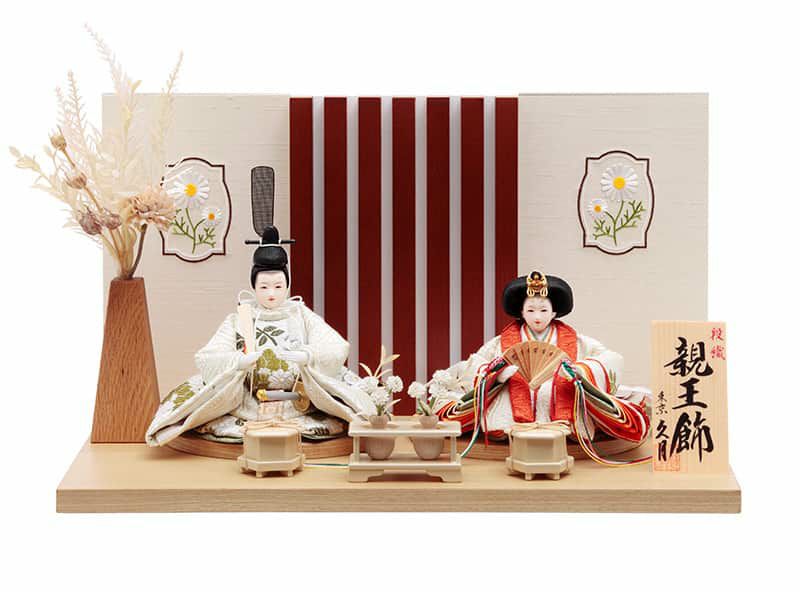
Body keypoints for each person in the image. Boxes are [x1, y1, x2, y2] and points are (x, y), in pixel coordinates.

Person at [145, 226, 376, 446]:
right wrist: (238, 361)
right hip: (248, 401)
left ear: (287, 285)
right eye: (264, 287)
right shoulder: (241, 317)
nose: (272, 293)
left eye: (278, 286)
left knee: (360, 401)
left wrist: (308, 356)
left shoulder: (301, 314)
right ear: (253, 287)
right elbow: (207, 357)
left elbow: (336, 346)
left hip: (302, 400)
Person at [432, 271, 649, 443]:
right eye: (531, 310)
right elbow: (478, 363)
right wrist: (497, 375)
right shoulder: (500, 343)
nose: (537, 317)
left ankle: (566, 425)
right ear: (521, 312)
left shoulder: (577, 341)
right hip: (511, 415)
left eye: (544, 311)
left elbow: (610, 358)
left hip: (562, 409)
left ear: (554, 313)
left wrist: (582, 371)